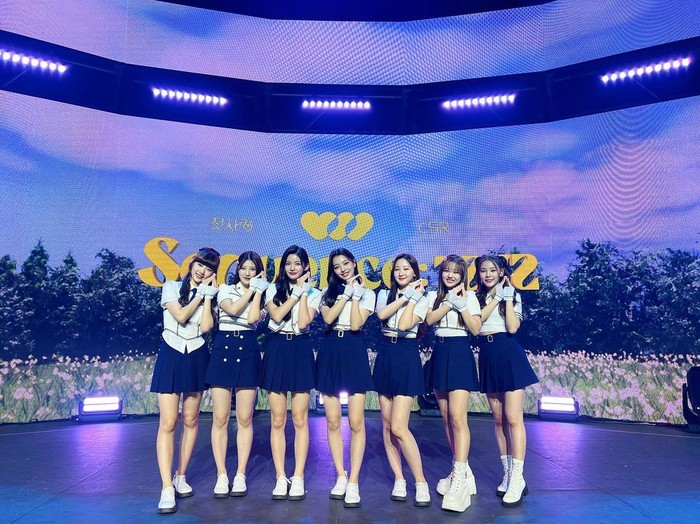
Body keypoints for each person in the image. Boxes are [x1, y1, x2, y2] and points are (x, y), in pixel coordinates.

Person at [149, 247, 220, 515]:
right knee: (168, 422)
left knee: (191, 420)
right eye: (200, 265)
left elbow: (206, 327)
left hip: (197, 353)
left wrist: (208, 297)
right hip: (171, 352)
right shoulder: (170, 287)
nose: (202, 271)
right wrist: (200, 295)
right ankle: (166, 487)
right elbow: (180, 316)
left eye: (209, 269)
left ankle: (180, 475)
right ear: (192, 264)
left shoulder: (211, 295)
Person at [474, 255, 538, 508]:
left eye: (493, 270)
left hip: (509, 353)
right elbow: (476, 325)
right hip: (487, 355)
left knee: (513, 418)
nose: (488, 274)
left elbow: (512, 328)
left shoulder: (513, 295)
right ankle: (508, 474)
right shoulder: (476, 298)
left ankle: (517, 479)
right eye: (483, 270)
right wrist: (496, 297)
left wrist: (507, 297)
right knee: (499, 420)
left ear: (502, 272)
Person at [259, 245, 321, 501]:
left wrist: (304, 293)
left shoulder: (315, 293)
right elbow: (276, 315)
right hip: (276, 347)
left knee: (299, 418)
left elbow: (304, 322)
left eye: (297, 263)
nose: (292, 268)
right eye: (288, 263)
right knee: (277, 419)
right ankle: (280, 476)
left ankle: (298, 476)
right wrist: (295, 294)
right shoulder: (272, 289)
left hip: (300, 348)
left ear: (306, 267)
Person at [205, 251, 266, 499]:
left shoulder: (263, 295)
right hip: (223, 348)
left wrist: (258, 292)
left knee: (244, 417)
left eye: (252, 269)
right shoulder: (225, 290)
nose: (247, 273)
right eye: (244, 268)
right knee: (220, 418)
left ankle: (240, 473)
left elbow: (252, 319)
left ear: (259, 272)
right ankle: (222, 474)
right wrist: (252, 291)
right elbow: (231, 310)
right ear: (237, 269)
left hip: (248, 349)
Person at [317, 248, 375, 508]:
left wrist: (355, 295)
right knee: (332, 421)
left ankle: (353, 481)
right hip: (330, 348)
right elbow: (329, 318)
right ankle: (340, 475)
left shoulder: (368, 294)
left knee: (356, 421)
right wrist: (346, 293)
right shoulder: (327, 293)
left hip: (353, 348)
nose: (343, 269)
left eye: (346, 263)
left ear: (354, 263)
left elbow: (355, 324)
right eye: (337, 266)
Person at [373, 253, 431, 508]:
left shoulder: (423, 298)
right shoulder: (384, 294)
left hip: (406, 354)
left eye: (406, 269)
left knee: (398, 426)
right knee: (387, 425)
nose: (401, 273)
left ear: (414, 272)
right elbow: (382, 315)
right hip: (386, 353)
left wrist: (412, 297)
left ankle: (420, 482)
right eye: (397, 269)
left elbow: (406, 324)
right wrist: (405, 297)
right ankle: (399, 478)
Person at [425, 255, 481, 512]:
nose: (450, 275)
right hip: (440, 351)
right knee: (447, 417)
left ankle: (459, 477)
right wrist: (449, 302)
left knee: (458, 417)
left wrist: (461, 306)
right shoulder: (433, 296)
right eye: (447, 271)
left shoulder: (470, 297)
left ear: (463, 276)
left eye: (456, 272)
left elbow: (475, 328)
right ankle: (463, 470)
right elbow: (429, 320)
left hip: (459, 351)